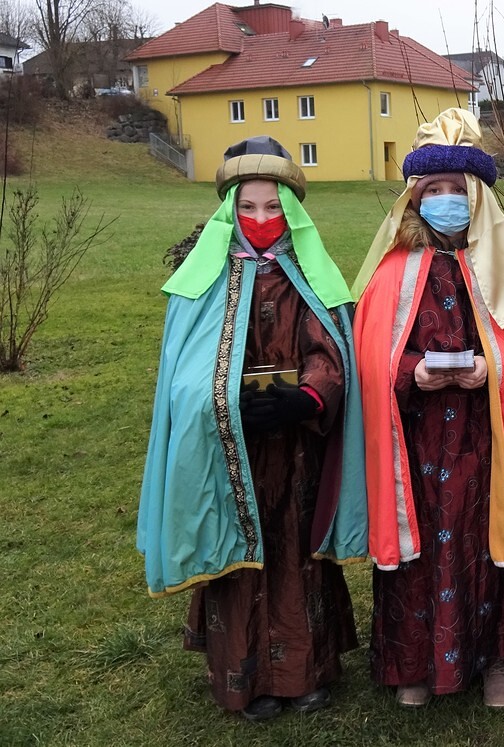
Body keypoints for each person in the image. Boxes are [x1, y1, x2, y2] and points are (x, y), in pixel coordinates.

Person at [138, 136, 368, 721]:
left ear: (290, 211)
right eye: (247, 207)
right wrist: (221, 399)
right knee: (238, 553)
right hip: (227, 450)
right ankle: (246, 678)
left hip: (295, 448)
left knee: (294, 551)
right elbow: (183, 373)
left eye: (272, 207)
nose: (260, 219)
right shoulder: (203, 281)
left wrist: (308, 396)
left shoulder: (311, 276)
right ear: (230, 210)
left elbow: (330, 351)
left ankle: (305, 672)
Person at [352, 108, 504, 709]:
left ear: (476, 197)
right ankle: (413, 663)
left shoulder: (502, 269)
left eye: (456, 189)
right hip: (417, 439)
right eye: (433, 190)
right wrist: (411, 373)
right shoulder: (392, 272)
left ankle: (495, 658)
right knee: (419, 542)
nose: (445, 200)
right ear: (414, 198)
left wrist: (492, 368)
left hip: (486, 435)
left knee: (488, 538)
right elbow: (370, 358)